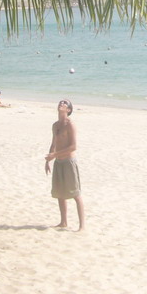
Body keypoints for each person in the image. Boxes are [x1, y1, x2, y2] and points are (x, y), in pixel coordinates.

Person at [44, 99, 84, 231]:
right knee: (60, 193)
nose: (61, 104)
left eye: (65, 103)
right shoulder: (55, 125)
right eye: (60, 102)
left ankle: (82, 226)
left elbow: (73, 146)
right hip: (58, 162)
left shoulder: (70, 124)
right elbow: (54, 143)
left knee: (75, 194)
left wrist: (54, 155)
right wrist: (48, 160)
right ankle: (63, 222)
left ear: (69, 110)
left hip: (68, 162)